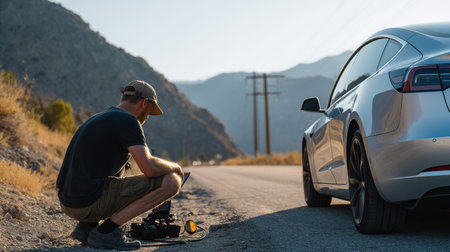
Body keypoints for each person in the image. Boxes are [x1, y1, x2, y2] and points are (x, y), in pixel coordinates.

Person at [56, 80, 184, 250]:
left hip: (68, 201)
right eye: (150, 111)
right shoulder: (128, 121)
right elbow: (149, 169)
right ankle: (106, 233)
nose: (147, 117)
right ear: (144, 103)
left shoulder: (98, 118)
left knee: (124, 165)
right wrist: (175, 167)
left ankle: (87, 227)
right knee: (171, 181)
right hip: (85, 204)